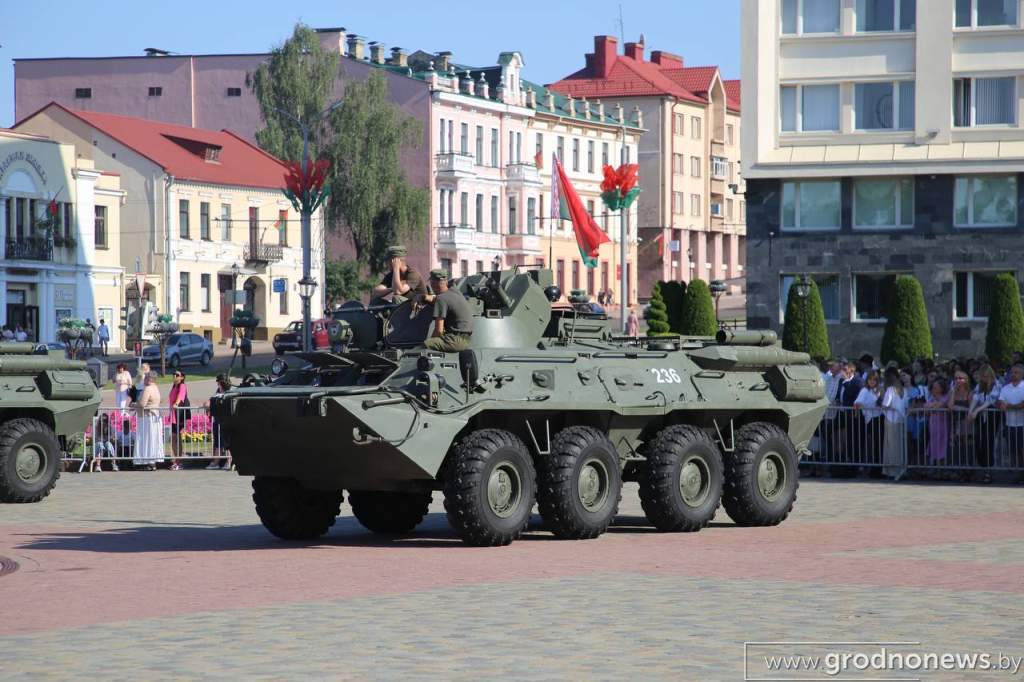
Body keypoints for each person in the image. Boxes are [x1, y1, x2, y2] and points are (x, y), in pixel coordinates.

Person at [422, 269, 474, 353]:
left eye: (431, 282)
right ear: (446, 281)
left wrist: (431, 341)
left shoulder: (441, 299)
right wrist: (423, 297)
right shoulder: (455, 291)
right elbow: (441, 299)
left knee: (424, 346)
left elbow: (438, 330)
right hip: (466, 339)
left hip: (454, 341)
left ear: (433, 283)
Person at [967, 364, 1000, 480]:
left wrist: (977, 410)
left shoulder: (996, 385)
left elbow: (990, 401)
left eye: (985, 376)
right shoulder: (979, 386)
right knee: (978, 440)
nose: (983, 379)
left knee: (988, 442)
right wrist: (970, 412)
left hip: (992, 416)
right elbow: (976, 398)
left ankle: (988, 471)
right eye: (982, 376)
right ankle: (983, 466)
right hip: (981, 416)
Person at [133, 371, 164, 470]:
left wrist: (133, 404)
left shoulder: (148, 388)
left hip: (147, 417)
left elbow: (142, 403)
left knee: (146, 438)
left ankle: (147, 461)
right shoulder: (156, 388)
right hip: (154, 416)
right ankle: (152, 461)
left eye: (146, 377)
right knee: (153, 438)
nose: (144, 379)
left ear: (150, 379)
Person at [880, 367, 907, 479]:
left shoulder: (890, 389)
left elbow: (885, 404)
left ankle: (892, 471)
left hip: (891, 419)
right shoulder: (903, 390)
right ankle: (899, 469)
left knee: (891, 445)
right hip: (900, 419)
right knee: (899, 446)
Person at [853, 371, 884, 467]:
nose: (872, 381)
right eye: (870, 379)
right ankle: (871, 467)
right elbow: (857, 403)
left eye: (874, 380)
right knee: (872, 444)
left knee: (879, 444)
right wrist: (865, 406)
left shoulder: (880, 390)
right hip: (869, 419)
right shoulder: (864, 390)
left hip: (879, 418)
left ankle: (878, 467)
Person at [997, 363, 1024, 469]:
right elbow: (1000, 401)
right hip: (1009, 424)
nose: (1013, 374)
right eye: (1012, 372)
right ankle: (1020, 472)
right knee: (1014, 450)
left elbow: (1023, 404)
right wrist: (1002, 404)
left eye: (1016, 372)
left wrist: (1008, 406)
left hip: (1022, 425)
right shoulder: (1005, 388)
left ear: (1022, 374)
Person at [205, 374, 234, 471]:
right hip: (219, 420)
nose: (217, 383)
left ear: (220, 382)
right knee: (219, 441)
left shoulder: (228, 392)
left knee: (226, 442)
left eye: (218, 381)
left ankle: (226, 462)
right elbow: (208, 402)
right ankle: (220, 462)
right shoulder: (219, 392)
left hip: (224, 420)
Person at [946, 370, 973, 465]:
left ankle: (968, 468)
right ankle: (958, 469)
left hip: (966, 423)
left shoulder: (970, 393)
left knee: (966, 446)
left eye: (960, 378)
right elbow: (950, 406)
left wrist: (958, 408)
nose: (958, 380)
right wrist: (953, 391)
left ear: (966, 380)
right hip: (954, 422)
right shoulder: (951, 392)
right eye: (956, 378)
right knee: (956, 445)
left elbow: (971, 408)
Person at [167, 371, 189, 471]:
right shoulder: (174, 386)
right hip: (173, 415)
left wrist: (176, 403)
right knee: (174, 438)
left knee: (177, 438)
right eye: (174, 374)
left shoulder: (182, 386)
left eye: (177, 375)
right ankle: (177, 460)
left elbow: (181, 396)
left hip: (179, 414)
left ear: (182, 377)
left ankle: (179, 462)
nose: (174, 376)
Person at [925, 379, 949, 464]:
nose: (934, 388)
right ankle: (933, 463)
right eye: (934, 386)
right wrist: (933, 405)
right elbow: (926, 409)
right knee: (933, 441)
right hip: (932, 423)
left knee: (941, 442)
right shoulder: (931, 397)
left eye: (937, 386)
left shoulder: (946, 396)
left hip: (942, 424)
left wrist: (933, 405)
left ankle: (941, 464)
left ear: (941, 388)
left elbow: (939, 405)